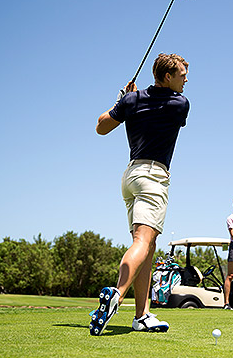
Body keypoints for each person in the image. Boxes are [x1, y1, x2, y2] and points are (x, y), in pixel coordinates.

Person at [90, 53, 190, 336]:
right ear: (167, 76)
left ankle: (142, 315)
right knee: (143, 241)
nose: (186, 79)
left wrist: (122, 100)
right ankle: (117, 296)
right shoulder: (180, 104)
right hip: (153, 177)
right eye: (182, 74)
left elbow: (101, 127)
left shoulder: (131, 100)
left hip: (130, 177)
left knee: (147, 247)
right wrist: (128, 101)